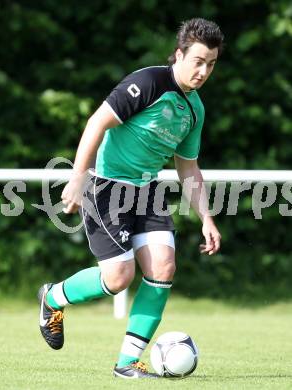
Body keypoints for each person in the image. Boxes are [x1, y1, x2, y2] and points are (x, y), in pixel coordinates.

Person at [38, 17, 224, 379]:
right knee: (119, 278)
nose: (203, 71)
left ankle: (128, 362)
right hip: (108, 187)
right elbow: (96, 123)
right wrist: (78, 179)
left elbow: (188, 168)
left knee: (163, 269)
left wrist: (206, 218)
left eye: (211, 64)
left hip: (149, 191)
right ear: (179, 54)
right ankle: (54, 297)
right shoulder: (149, 82)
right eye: (198, 60)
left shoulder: (195, 110)